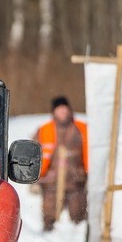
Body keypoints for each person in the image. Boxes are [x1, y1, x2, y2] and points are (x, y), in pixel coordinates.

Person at [34, 96, 89, 232]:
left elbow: (91, 152)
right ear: (54, 112)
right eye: (59, 109)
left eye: (65, 108)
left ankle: (77, 241)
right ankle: (48, 235)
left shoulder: (81, 128)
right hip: (51, 182)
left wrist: (89, 173)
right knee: (49, 214)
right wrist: (34, 177)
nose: (63, 112)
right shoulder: (44, 130)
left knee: (79, 215)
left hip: (76, 181)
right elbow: (35, 153)